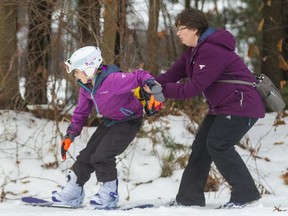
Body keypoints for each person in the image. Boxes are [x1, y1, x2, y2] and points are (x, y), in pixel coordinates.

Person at [155, 8, 265, 208]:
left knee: (218, 143)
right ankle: (189, 199)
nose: (178, 33)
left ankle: (246, 195)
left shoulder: (212, 50)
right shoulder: (192, 52)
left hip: (242, 104)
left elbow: (194, 87)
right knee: (201, 147)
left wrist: (161, 91)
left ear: (194, 29)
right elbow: (171, 75)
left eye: (181, 28)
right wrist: (146, 84)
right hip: (223, 106)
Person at [52, 46, 164, 209]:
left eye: (76, 71)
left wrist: (153, 87)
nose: (75, 75)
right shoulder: (86, 87)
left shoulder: (112, 80)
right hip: (109, 121)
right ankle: (73, 191)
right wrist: (70, 135)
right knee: (86, 156)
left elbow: (139, 75)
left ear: (88, 68)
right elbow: (81, 113)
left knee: (102, 156)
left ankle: (108, 195)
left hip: (128, 122)